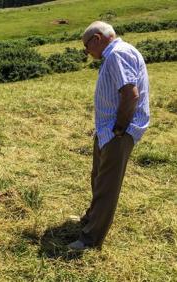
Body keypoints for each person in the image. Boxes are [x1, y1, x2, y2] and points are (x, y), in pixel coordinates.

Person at [68, 21, 150, 250]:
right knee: (98, 176)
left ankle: (90, 239)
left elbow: (130, 94)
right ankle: (90, 218)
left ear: (96, 38)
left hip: (117, 132)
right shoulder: (117, 53)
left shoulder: (117, 55)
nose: (87, 52)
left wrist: (118, 130)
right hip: (107, 130)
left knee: (107, 185)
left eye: (86, 47)